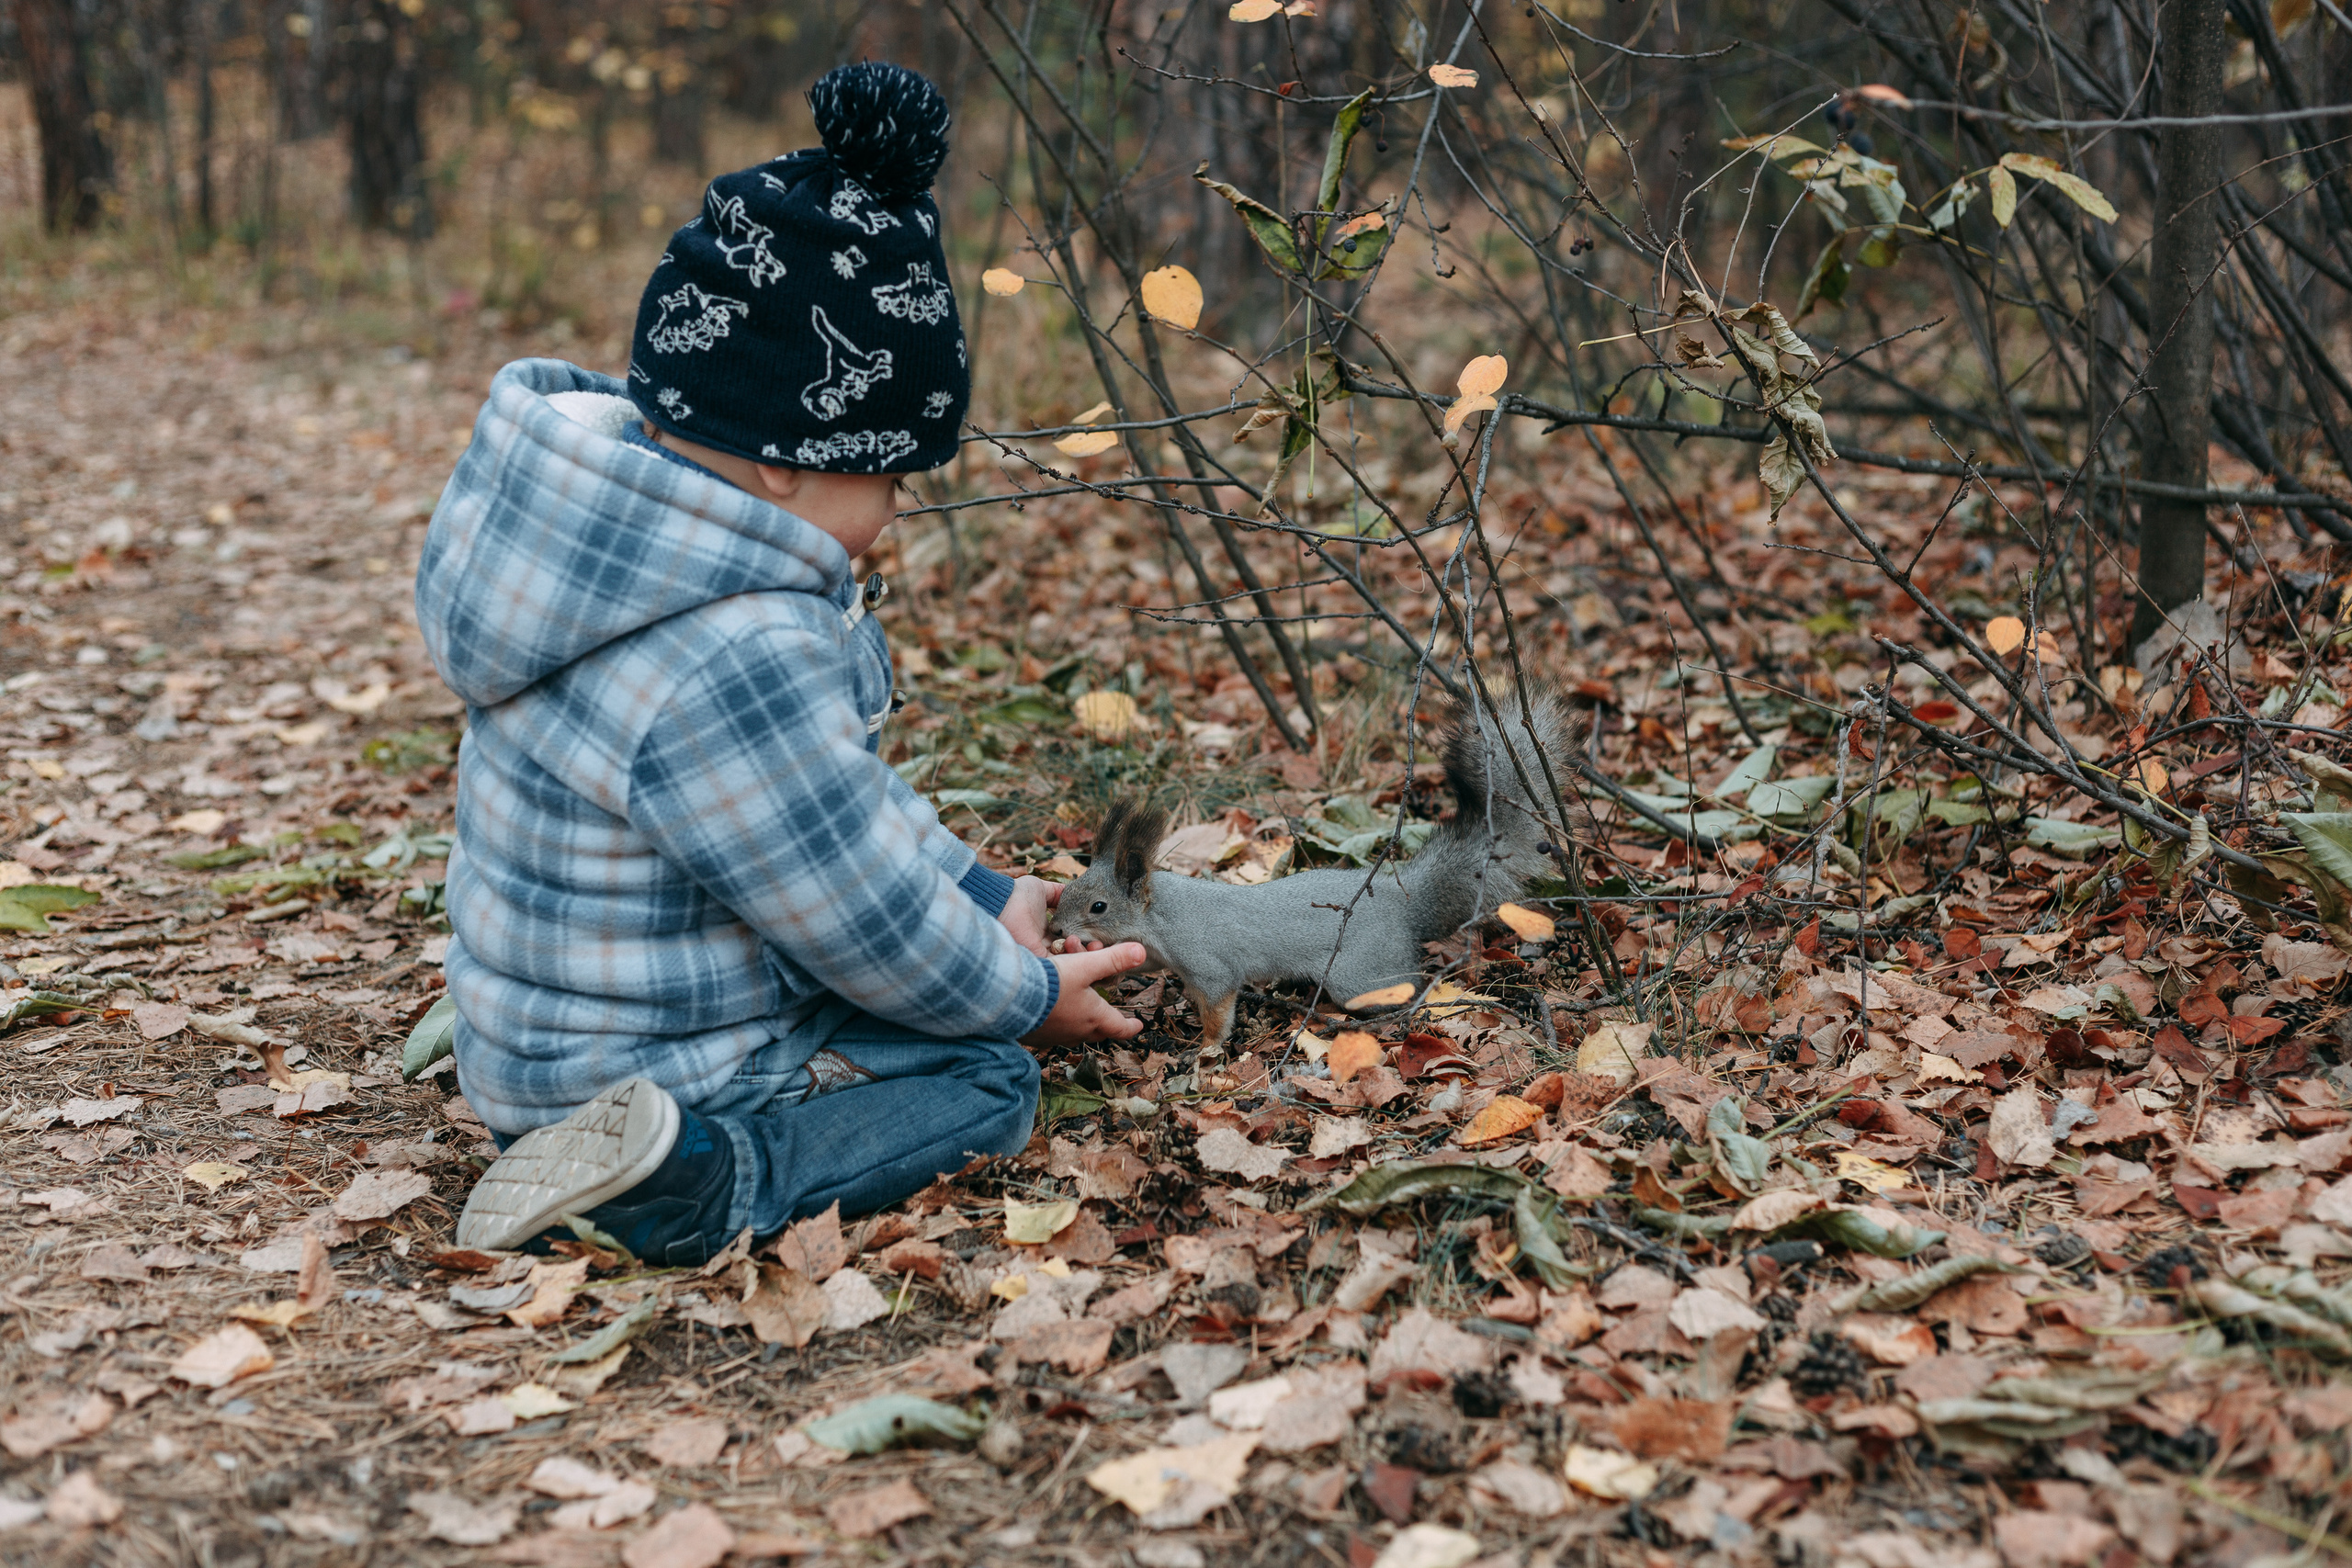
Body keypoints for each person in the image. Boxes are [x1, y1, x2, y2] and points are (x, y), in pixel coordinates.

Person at [412, 62, 1143, 1267]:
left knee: (936, 993)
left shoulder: (615, 547)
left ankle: (602, 1137)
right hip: (659, 1073)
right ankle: (692, 1187)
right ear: (786, 463)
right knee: (982, 1082)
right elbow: (853, 909)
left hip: (554, 1032)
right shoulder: (733, 649)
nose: (899, 510)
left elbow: (832, 813)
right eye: (893, 476)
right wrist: (1021, 998)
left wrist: (977, 893)